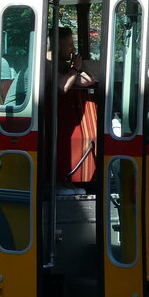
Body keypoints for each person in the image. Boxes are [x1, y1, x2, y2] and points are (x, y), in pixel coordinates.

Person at [55, 27, 96, 186]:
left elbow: (88, 80)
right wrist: (74, 69)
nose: (73, 49)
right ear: (58, 47)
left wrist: (77, 67)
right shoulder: (45, 64)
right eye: (70, 44)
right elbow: (62, 86)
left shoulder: (62, 66)